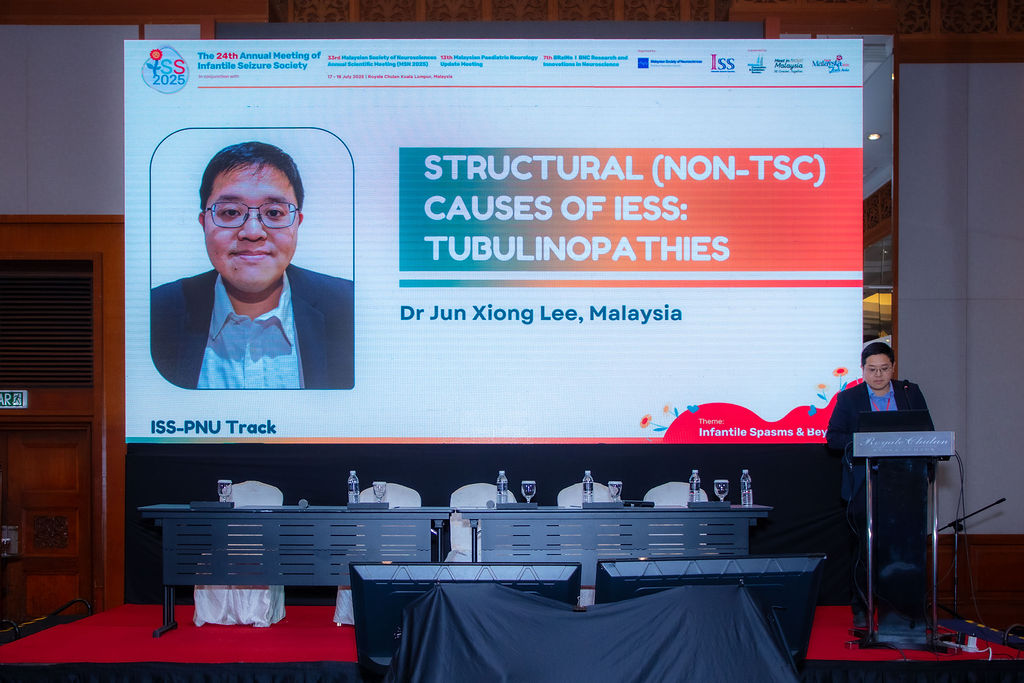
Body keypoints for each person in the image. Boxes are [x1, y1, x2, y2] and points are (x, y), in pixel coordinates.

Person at [151, 141, 354, 389]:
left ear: (297, 223)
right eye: (230, 212)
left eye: (274, 213)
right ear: (204, 223)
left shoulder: (349, 307)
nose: (253, 232)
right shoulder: (155, 311)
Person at [825, 341, 932, 628]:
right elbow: (833, 438)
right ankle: (861, 607)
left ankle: (903, 610)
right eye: (872, 369)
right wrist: (867, 441)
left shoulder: (910, 393)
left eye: (884, 369)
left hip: (906, 486)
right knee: (864, 551)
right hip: (864, 486)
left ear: (893, 367)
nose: (878, 375)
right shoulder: (849, 398)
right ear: (862, 370)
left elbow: (928, 433)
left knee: (903, 551)